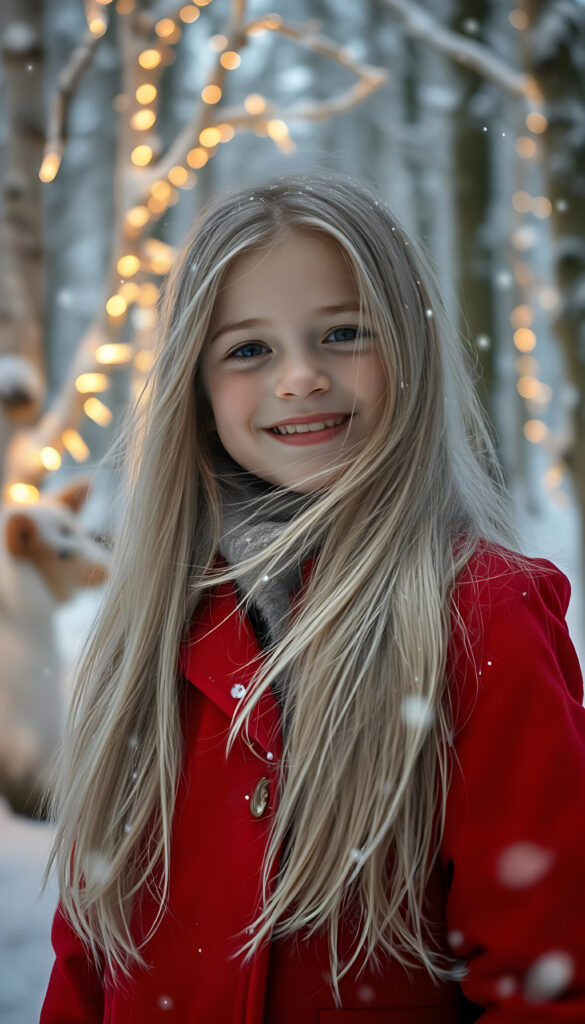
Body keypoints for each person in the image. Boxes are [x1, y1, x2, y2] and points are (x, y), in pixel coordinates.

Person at [40, 172, 585, 1023]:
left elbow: (547, 981)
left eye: (342, 333)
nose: (299, 377)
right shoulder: (153, 624)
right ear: (196, 387)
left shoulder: (477, 617)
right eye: (248, 349)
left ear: (408, 348)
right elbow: (86, 962)